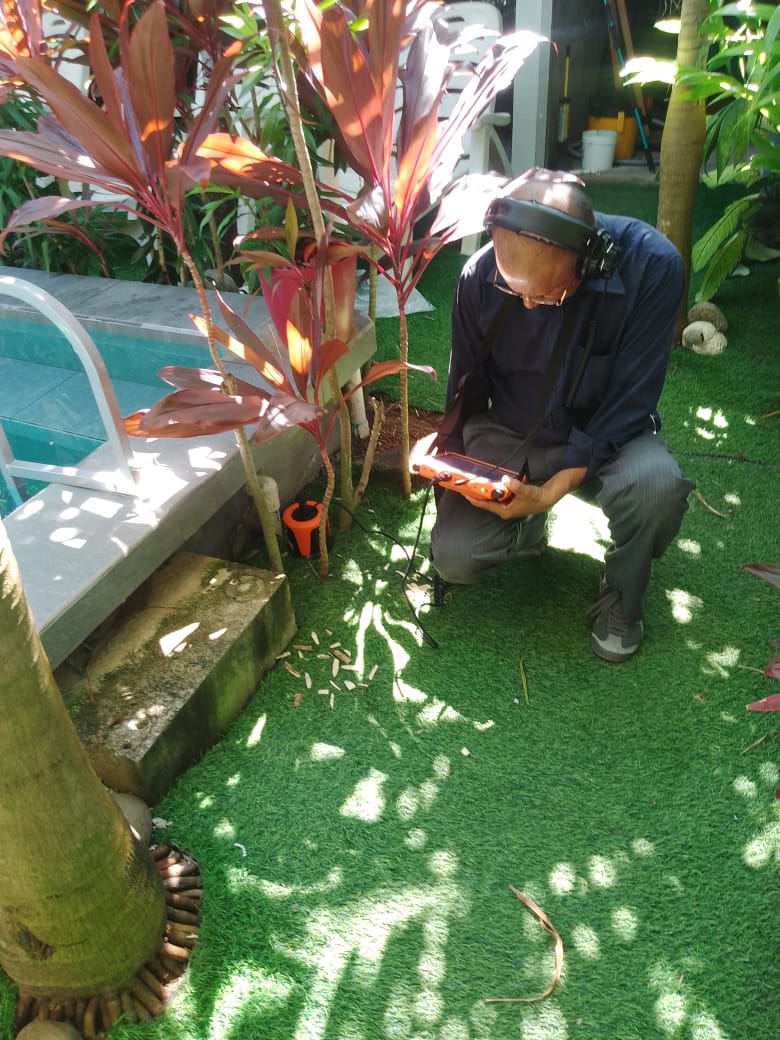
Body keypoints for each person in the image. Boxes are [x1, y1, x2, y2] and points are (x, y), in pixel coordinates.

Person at [428, 168, 696, 662]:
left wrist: (552, 489)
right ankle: (526, 531)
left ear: (589, 260)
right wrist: (448, 460)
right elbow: (466, 385)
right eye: (516, 293)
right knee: (454, 557)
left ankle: (623, 596)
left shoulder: (652, 267)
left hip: (610, 439)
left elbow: (632, 400)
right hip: (512, 432)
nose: (530, 305)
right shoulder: (480, 277)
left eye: (547, 295)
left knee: (656, 486)